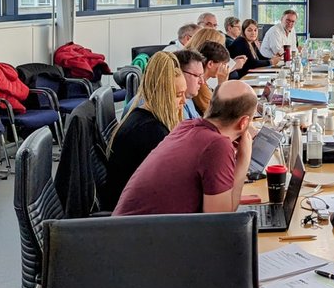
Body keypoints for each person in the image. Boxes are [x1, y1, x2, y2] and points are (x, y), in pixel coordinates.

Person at [112, 80, 257, 216]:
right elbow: (221, 220)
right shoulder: (217, 145)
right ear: (244, 123)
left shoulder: (186, 126)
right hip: (141, 239)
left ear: (212, 106)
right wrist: (243, 160)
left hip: (121, 232)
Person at [105, 51, 185, 198]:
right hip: (134, 215)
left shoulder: (141, 117)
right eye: (178, 95)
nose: (183, 102)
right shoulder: (151, 132)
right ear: (163, 95)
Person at [189, 38, 232, 116]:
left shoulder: (204, 82)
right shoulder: (200, 86)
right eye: (223, 64)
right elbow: (216, 112)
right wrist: (222, 83)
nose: (225, 68)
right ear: (210, 64)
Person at [173, 48, 206, 120]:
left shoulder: (188, 98)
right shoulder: (172, 105)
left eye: (202, 76)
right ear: (179, 73)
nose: (202, 82)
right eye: (196, 76)